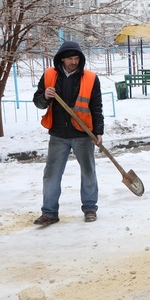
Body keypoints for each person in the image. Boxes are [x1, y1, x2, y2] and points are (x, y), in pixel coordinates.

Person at [32, 41, 104, 225]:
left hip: (83, 133)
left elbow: (96, 107)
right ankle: (49, 213)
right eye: (70, 58)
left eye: (77, 58)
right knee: (51, 174)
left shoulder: (90, 78)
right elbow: (38, 101)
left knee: (88, 172)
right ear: (62, 59)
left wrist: (98, 132)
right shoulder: (49, 75)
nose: (74, 62)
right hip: (58, 135)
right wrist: (45, 97)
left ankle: (89, 208)